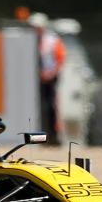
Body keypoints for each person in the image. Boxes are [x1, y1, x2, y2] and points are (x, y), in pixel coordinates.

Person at [28, 12, 66, 144]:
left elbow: (60, 58)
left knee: (50, 106)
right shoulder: (27, 39)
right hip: (33, 79)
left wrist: (50, 73)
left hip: (50, 78)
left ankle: (53, 137)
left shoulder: (52, 40)